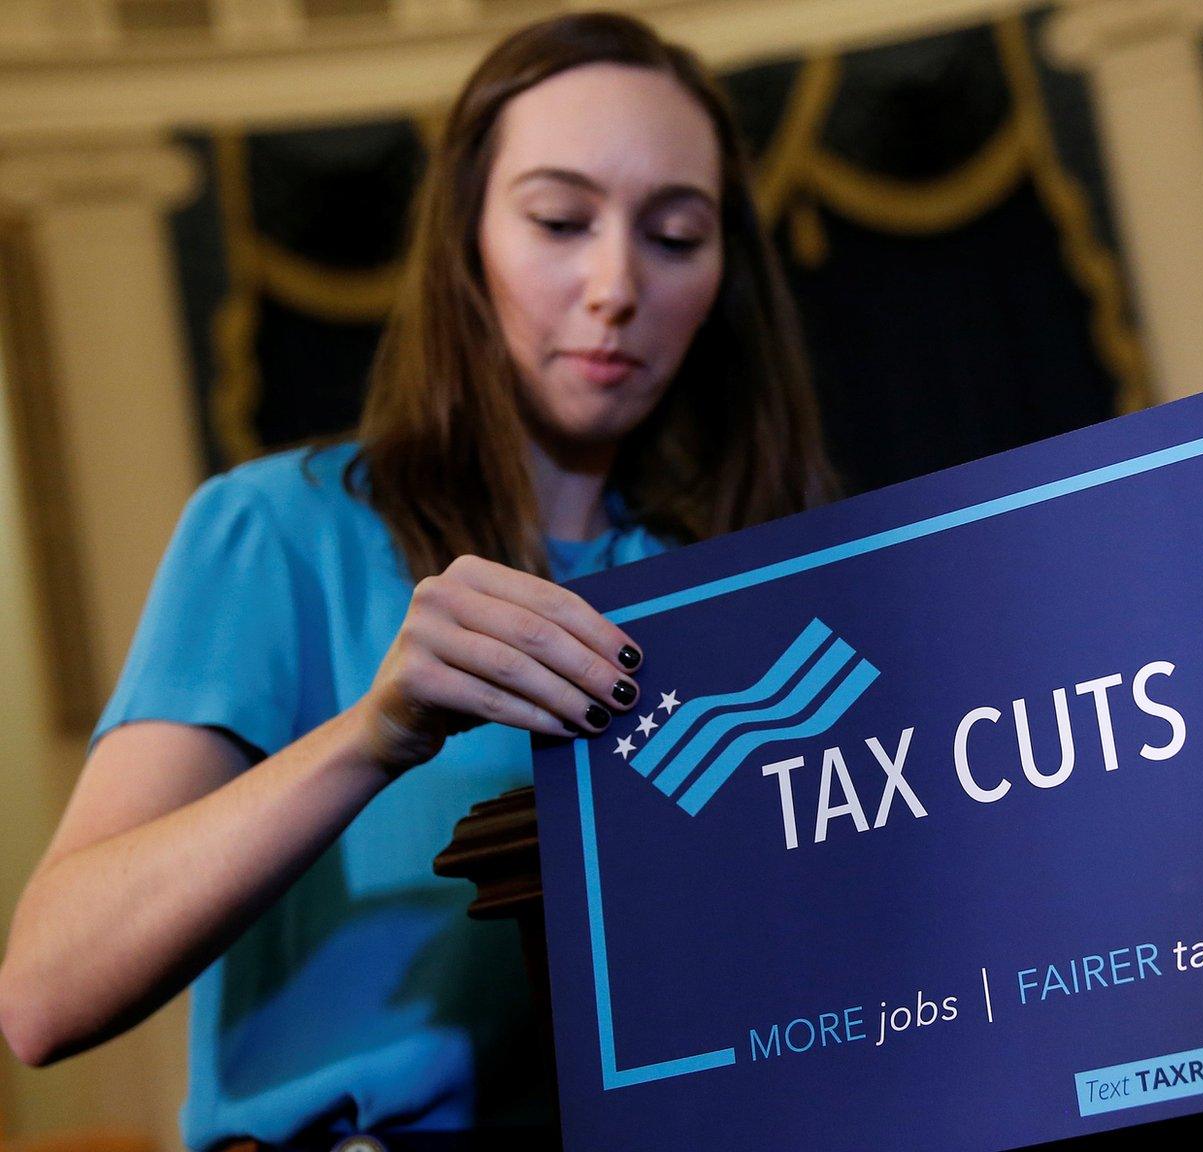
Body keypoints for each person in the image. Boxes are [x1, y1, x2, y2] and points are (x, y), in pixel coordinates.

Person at [0, 12, 833, 1149]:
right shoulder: (279, 528)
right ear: (464, 243)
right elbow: (43, 994)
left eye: (676, 235)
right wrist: (378, 730)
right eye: (557, 219)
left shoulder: (745, 576)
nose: (615, 284)